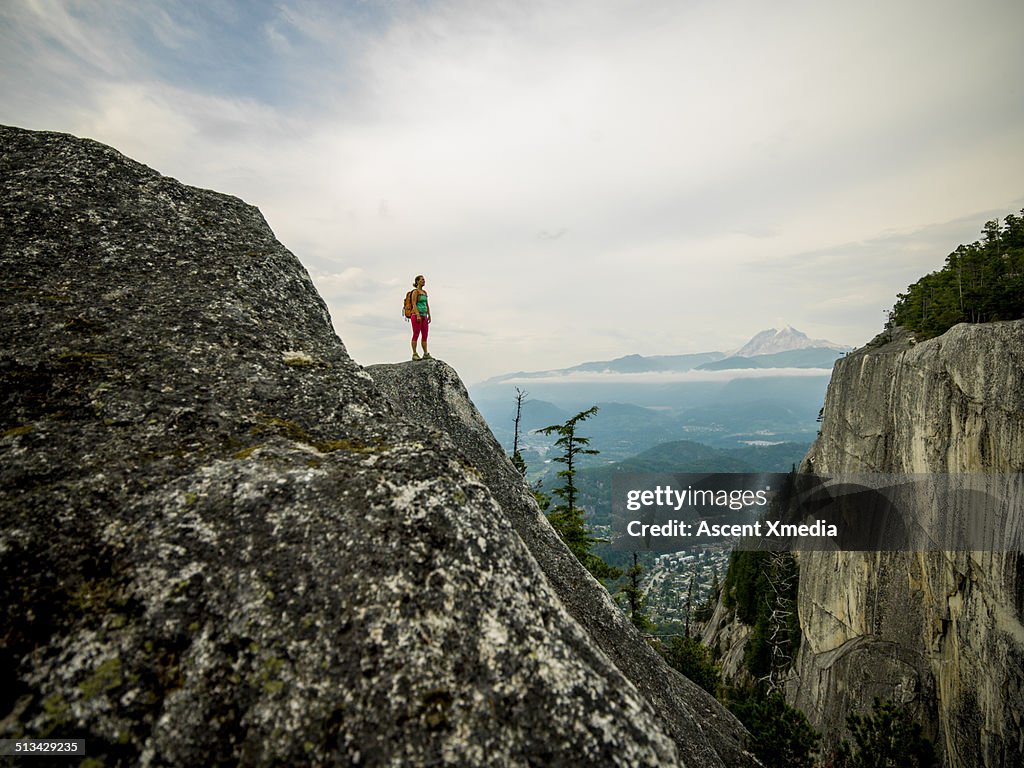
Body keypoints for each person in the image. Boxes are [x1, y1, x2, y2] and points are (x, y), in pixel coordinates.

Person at [409, 274, 431, 360]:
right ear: (417, 281)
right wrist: (417, 314)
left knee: (425, 334)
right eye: (422, 280)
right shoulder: (415, 292)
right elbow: (414, 303)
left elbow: (427, 304)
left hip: (424, 315)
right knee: (416, 334)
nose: (424, 281)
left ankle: (425, 353)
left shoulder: (425, 293)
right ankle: (414, 354)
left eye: (424, 280)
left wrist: (429, 314)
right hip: (416, 315)